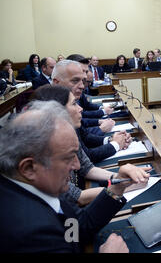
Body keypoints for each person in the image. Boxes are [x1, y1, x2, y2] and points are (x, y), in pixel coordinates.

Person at [0, 101, 150, 252]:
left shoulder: (43, 187)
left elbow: (77, 228)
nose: (77, 166)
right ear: (29, 168)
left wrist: (117, 188)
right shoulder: (27, 235)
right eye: (69, 157)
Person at [29, 86, 143, 205]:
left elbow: (87, 168)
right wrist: (124, 186)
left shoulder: (69, 131)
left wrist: (121, 178)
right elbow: (79, 197)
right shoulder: (42, 150)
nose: (80, 109)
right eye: (74, 104)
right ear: (56, 112)